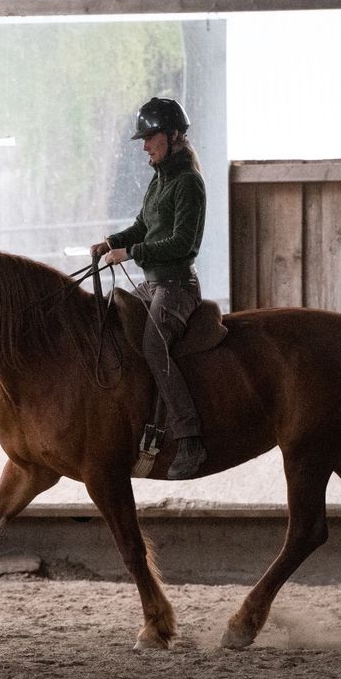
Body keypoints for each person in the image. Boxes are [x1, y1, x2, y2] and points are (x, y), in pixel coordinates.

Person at [91, 96, 207, 480]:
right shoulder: (161, 180)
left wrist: (130, 252)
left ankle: (190, 438)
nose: (144, 145)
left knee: (155, 346)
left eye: (150, 137)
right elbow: (142, 226)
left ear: (173, 136)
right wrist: (111, 242)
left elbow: (182, 243)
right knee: (107, 316)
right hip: (152, 284)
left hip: (177, 286)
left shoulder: (188, 183)